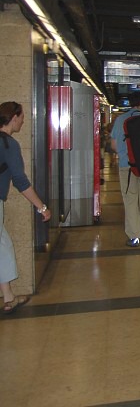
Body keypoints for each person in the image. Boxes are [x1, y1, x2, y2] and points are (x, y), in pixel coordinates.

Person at [0, 101, 50, 315]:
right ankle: (9, 298)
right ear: (13, 118)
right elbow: (20, 180)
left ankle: (9, 297)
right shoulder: (8, 144)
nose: (23, 121)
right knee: (3, 246)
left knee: (3, 246)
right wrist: (42, 207)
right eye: (21, 117)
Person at [110, 93, 140, 247]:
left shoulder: (120, 120)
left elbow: (113, 146)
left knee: (130, 200)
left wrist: (126, 154)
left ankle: (134, 236)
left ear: (129, 104)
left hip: (128, 167)